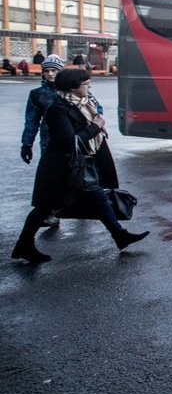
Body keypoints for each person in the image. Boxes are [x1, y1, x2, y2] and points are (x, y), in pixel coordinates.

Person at [10, 69, 149, 263]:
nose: (89, 86)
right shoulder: (57, 109)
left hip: (81, 164)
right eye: (86, 84)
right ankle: (23, 245)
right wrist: (96, 126)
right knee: (44, 208)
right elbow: (71, 141)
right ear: (73, 87)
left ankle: (120, 235)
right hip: (61, 168)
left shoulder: (85, 103)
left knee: (98, 198)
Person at [20, 55, 67, 228]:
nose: (50, 74)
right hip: (49, 141)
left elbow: (93, 108)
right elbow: (31, 121)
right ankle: (50, 212)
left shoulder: (72, 89)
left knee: (77, 174)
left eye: (54, 70)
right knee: (50, 178)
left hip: (73, 139)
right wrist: (26, 144)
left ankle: (78, 207)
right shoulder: (37, 95)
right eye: (46, 71)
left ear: (60, 72)